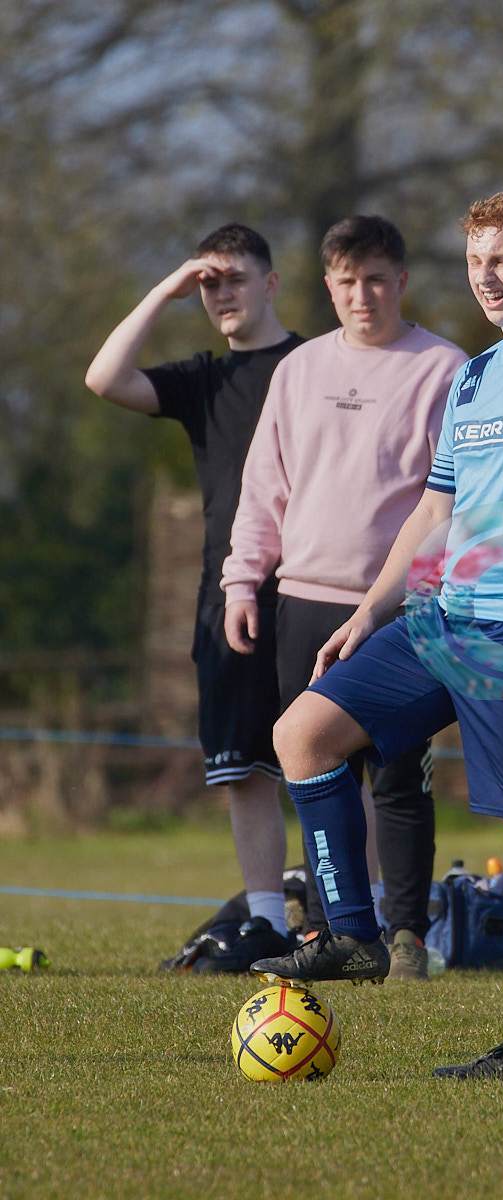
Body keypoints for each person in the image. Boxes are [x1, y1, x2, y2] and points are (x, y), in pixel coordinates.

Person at [252, 190, 503, 1081]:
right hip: (443, 617)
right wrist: (370, 610)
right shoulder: (475, 375)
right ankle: (353, 938)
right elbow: (434, 510)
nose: (486, 277)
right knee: (302, 734)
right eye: (475, 261)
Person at [222, 215, 466, 980]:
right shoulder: (299, 369)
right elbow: (264, 486)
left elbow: (450, 504)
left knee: (400, 781)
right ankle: (333, 931)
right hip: (304, 595)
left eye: (378, 280)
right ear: (328, 287)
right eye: (348, 282)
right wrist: (242, 579)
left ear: (403, 282)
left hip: (399, 607)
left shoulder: (446, 368)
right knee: (314, 767)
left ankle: (408, 935)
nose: (364, 296)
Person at [84, 223, 303, 970]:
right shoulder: (205, 380)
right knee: (245, 768)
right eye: (209, 284)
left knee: (338, 762)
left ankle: (354, 916)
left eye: (235, 278)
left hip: (317, 586)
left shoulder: (315, 365)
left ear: (271, 282)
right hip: (228, 597)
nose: (221, 295)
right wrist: (165, 289)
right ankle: (267, 922)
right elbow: (104, 379)